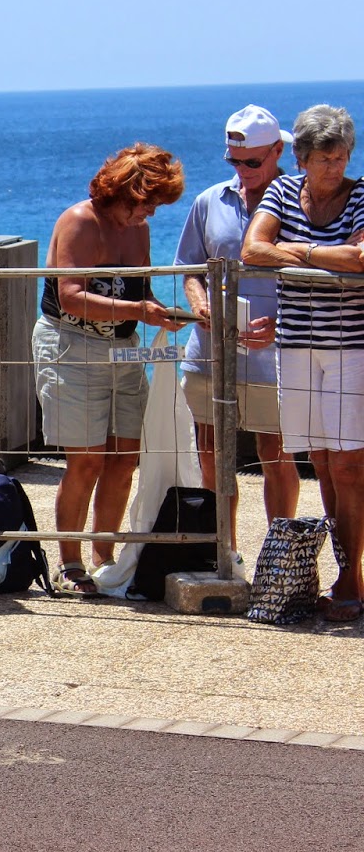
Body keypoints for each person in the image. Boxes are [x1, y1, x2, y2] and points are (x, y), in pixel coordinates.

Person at [35, 144, 186, 595]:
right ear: (128, 191)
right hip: (72, 345)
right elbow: (71, 296)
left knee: (122, 458)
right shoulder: (80, 221)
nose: (152, 215)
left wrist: (161, 311)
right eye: (149, 204)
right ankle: (70, 561)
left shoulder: (135, 229)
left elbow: (141, 291)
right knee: (86, 460)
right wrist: (141, 310)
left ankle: (104, 554)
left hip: (123, 347)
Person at [244, 104, 364, 623]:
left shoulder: (361, 196)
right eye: (324, 159)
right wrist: (326, 252)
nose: (335, 168)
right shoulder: (280, 191)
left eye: (341, 157)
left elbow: (361, 260)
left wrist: (297, 251)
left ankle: (352, 576)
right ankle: (341, 571)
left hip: (349, 347)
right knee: (318, 461)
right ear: (301, 157)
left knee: (348, 464)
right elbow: (253, 248)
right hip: (295, 346)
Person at [174, 106, 298, 567]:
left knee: (276, 451)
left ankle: (279, 557)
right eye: (235, 162)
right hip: (211, 351)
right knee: (212, 450)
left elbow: (317, 279)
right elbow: (189, 265)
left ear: (278, 153)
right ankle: (223, 550)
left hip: (276, 354)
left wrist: (280, 325)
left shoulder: (297, 207)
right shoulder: (209, 202)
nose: (243, 172)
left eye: (253, 162)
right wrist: (198, 303)